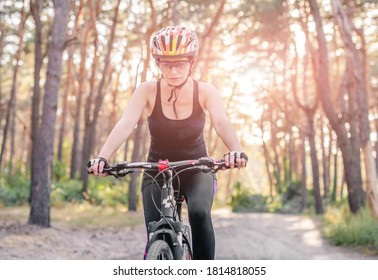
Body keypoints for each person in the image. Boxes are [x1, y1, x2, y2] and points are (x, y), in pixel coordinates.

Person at [87, 26, 248, 260]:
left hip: (197, 168)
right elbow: (126, 123)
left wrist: (236, 151)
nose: (173, 71)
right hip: (157, 169)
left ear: (191, 62)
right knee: (156, 229)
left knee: (200, 214)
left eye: (180, 63)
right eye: (166, 64)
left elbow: (221, 122)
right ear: (157, 63)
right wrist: (103, 156)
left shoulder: (205, 91)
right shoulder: (147, 90)